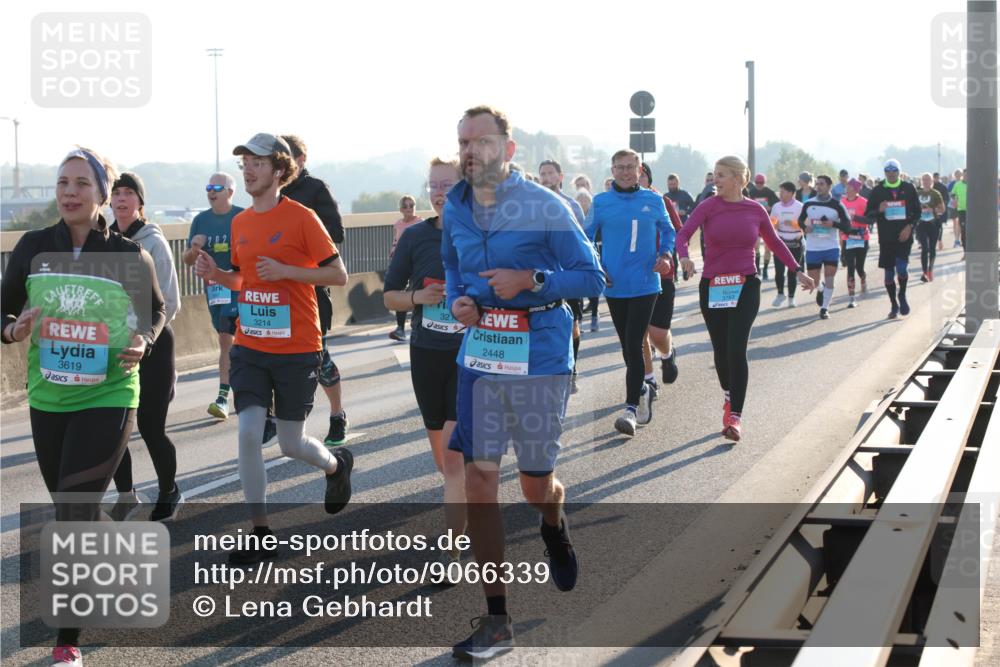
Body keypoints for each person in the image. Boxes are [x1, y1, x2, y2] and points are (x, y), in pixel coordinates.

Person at [442, 106, 604, 659]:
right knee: (480, 482)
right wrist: (457, 301)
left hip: (539, 350)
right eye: (463, 142)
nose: (469, 152)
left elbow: (591, 277)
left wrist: (530, 279)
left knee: (536, 486)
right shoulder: (456, 209)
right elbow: (453, 272)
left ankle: (554, 522)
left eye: (481, 142)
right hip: (482, 354)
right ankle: (496, 620)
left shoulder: (545, 205)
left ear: (508, 150)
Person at [1, 147, 166, 667]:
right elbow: (3, 313)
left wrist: (144, 339)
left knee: (71, 512)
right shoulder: (32, 246)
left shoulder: (126, 255)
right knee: (75, 505)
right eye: (62, 182)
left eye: (80, 183)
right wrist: (13, 328)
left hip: (110, 392)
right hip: (49, 397)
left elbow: (155, 311)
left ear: (100, 193)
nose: (69, 191)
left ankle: (65, 642)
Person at [194, 133, 353, 565]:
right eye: (244, 162)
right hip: (250, 346)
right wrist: (217, 274)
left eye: (257, 163)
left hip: (298, 347)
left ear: (280, 170)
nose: (248, 169)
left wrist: (287, 270)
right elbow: (246, 280)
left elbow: (337, 275)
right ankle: (261, 533)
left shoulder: (302, 217)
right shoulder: (241, 222)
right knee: (247, 434)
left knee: (290, 443)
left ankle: (336, 465)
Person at [677, 156, 814, 442]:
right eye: (715, 174)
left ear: (740, 179)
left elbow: (775, 242)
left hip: (745, 285)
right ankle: (729, 394)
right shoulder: (708, 206)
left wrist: (797, 270)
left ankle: (736, 416)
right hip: (714, 285)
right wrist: (685, 258)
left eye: (722, 175)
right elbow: (683, 234)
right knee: (721, 351)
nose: (716, 180)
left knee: (737, 349)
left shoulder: (755, 209)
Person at [383, 157, 466, 582]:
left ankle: (451, 553)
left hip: (471, 356)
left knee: (453, 459)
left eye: (447, 184)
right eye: (434, 185)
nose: (438, 192)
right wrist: (420, 297)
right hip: (426, 353)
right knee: (444, 457)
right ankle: (467, 501)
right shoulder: (415, 236)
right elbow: (390, 297)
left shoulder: (479, 232)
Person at [108, 172, 184, 522]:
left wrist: (141, 331)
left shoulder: (152, 241)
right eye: (116, 193)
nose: (121, 199)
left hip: (153, 344)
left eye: (129, 193)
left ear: (140, 202)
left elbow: (170, 301)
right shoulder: (103, 240)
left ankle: (169, 491)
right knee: (112, 424)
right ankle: (126, 494)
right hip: (114, 346)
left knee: (151, 427)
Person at [586, 150, 674, 436]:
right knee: (627, 346)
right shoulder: (601, 202)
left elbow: (669, 231)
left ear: (639, 169)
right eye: (619, 167)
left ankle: (631, 410)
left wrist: (666, 255)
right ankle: (645, 387)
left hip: (646, 283)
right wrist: (598, 266)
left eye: (630, 167)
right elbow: (585, 238)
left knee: (635, 342)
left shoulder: (652, 199)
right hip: (614, 285)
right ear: (612, 170)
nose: (625, 172)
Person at [280, 134, 350, 446]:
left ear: (301, 160)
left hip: (311, 289)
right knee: (272, 356)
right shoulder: (269, 192)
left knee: (318, 357)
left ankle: (337, 414)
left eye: (286, 158)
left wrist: (299, 235)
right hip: (275, 291)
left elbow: (337, 233)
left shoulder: (315, 189)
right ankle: (278, 420)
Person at [184, 172, 244, 421]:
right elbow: (187, 260)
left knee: (226, 339)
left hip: (240, 286)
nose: (211, 191)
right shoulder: (200, 220)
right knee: (227, 342)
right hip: (214, 290)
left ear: (230, 191)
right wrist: (195, 248)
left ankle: (223, 397)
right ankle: (239, 390)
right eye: (208, 186)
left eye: (217, 187)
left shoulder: (242, 217)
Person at [538, 159, 588, 394]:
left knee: (573, 326)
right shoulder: (532, 205)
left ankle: (572, 369)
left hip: (568, 275)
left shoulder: (571, 205)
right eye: (542, 174)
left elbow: (582, 241)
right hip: (544, 278)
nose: (546, 178)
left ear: (560, 177)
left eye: (550, 173)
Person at [864, 158, 921, 319]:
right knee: (889, 274)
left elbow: (917, 213)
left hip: (904, 236)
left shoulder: (908, 188)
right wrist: (879, 210)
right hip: (886, 237)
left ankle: (902, 295)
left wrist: (910, 227)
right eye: (887, 171)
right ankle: (893, 304)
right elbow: (868, 215)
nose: (890, 174)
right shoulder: (878, 190)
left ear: (899, 172)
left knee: (902, 268)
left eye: (894, 171)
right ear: (884, 173)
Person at [799, 175, 852, 319]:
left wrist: (833, 224)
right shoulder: (809, 204)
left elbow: (848, 226)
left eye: (821, 184)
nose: (818, 186)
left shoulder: (837, 205)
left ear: (829, 186)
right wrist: (805, 227)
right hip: (813, 248)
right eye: (817, 184)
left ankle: (825, 308)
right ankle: (820, 289)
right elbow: (799, 220)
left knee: (830, 278)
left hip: (831, 247)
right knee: (815, 281)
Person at [389, 194, 423, 341]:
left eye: (411, 205)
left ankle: (418, 325)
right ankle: (400, 329)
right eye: (405, 206)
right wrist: (392, 253)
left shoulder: (421, 223)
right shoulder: (398, 224)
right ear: (401, 209)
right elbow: (396, 242)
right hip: (400, 263)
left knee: (415, 295)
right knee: (400, 295)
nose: (408, 208)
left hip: (416, 263)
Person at [769, 181, 805, 307]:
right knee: (779, 271)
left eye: (783, 192)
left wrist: (794, 224)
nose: (780, 194)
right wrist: (775, 224)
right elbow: (771, 221)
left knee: (792, 271)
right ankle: (780, 294)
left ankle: (791, 297)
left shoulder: (800, 206)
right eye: (780, 192)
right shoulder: (776, 206)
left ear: (791, 193)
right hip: (781, 241)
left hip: (795, 241)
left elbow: (805, 223)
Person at [838, 178, 870, 307]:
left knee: (859, 267)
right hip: (848, 239)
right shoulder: (842, 202)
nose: (847, 188)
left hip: (862, 238)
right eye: (847, 186)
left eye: (849, 186)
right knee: (850, 267)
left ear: (855, 189)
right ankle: (851, 297)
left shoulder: (863, 202)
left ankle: (863, 278)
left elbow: (869, 220)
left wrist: (854, 218)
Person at [916, 172, 946, 282]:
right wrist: (920, 211)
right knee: (924, 248)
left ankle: (930, 269)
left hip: (933, 224)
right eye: (924, 179)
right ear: (921, 181)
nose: (926, 181)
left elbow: (942, 210)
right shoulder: (917, 193)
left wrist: (932, 210)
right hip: (921, 224)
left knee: (932, 248)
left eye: (928, 179)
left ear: (931, 181)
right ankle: (924, 272)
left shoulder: (936, 193)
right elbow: (913, 209)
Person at [748, 173, 779, 279]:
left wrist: (770, 207)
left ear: (764, 183)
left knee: (767, 248)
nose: (759, 185)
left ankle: (765, 269)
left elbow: (777, 204)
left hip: (767, 223)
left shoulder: (769, 192)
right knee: (755, 246)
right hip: (754, 223)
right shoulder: (751, 192)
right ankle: (757, 268)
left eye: (761, 183)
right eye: (757, 182)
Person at [932, 172, 951, 250]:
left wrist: (942, 207)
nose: (936, 178)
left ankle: (940, 241)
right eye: (935, 177)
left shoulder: (943, 187)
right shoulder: (931, 186)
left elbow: (946, 198)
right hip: (931, 210)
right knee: (931, 226)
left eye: (937, 177)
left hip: (940, 210)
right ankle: (932, 242)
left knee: (939, 226)